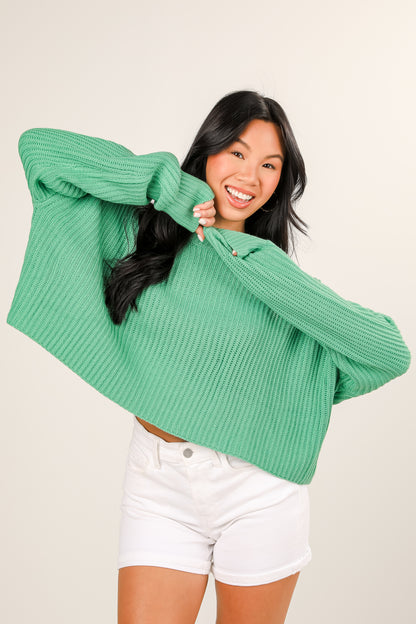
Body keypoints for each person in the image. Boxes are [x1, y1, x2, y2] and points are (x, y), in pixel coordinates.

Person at [7, 90, 411, 624]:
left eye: (269, 165)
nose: (250, 176)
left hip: (257, 489)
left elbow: (388, 352)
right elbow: (40, 150)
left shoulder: (270, 274)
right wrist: (166, 187)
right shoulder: (144, 234)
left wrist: (287, 378)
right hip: (157, 478)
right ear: (208, 151)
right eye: (237, 153)